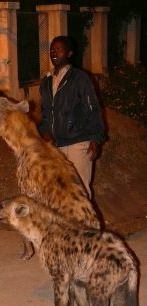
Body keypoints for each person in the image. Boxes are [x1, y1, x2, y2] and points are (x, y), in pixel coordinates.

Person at [38, 35, 105, 199]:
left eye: (59, 49)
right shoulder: (46, 82)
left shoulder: (79, 78)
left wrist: (95, 139)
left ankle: (86, 225)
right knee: (60, 193)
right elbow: (46, 113)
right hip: (56, 145)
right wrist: (45, 134)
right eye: (52, 49)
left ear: (69, 53)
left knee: (80, 191)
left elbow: (93, 109)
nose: (54, 53)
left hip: (78, 142)